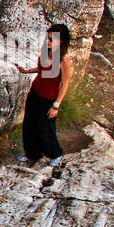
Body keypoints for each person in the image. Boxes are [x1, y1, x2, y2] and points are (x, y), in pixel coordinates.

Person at [17, 23, 73, 166]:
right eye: (48, 38)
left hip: (48, 98)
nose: (48, 41)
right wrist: (26, 71)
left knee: (45, 128)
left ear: (61, 40)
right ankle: (32, 154)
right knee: (29, 125)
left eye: (52, 39)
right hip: (35, 92)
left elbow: (64, 83)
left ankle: (55, 154)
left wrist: (56, 105)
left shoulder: (64, 59)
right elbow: (42, 69)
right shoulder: (46, 51)